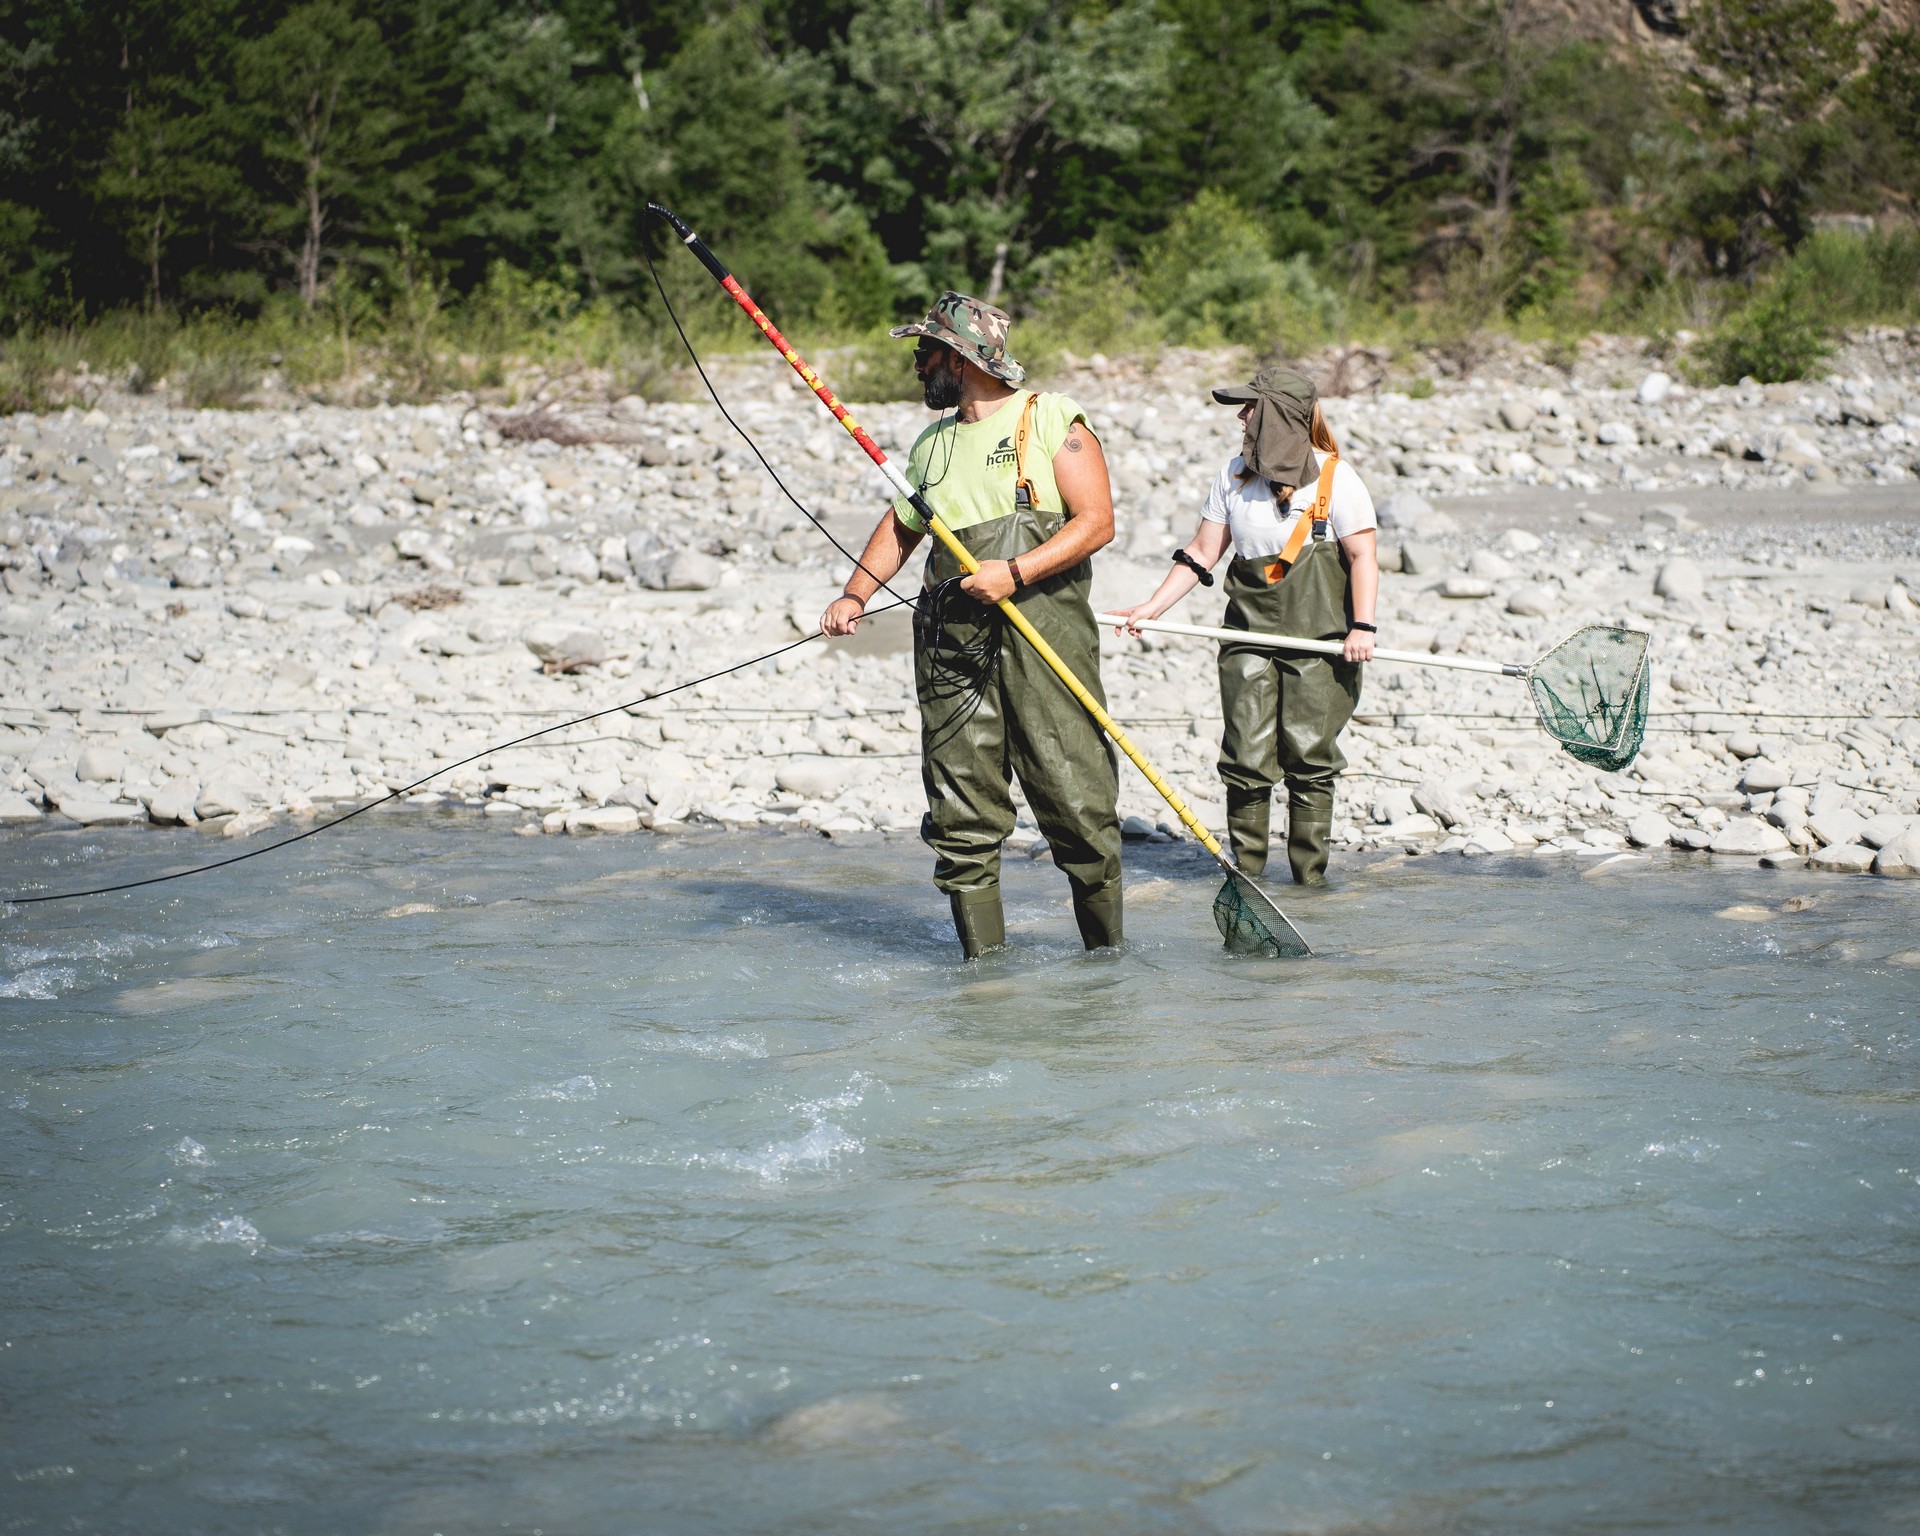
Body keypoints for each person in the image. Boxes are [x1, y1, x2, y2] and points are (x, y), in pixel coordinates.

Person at [820, 292, 1123, 958]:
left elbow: (1096, 522)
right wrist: (854, 595)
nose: (918, 365)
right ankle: (981, 990)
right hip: (950, 646)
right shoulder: (929, 447)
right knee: (960, 812)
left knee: (1076, 800)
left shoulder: (1049, 420)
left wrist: (1012, 573)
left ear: (959, 356)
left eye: (925, 351)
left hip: (1043, 634)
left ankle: (1107, 970)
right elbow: (901, 528)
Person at [1110, 366, 1379, 887]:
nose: (1241, 417)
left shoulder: (1335, 476)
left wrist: (1362, 627)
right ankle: (1249, 879)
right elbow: (1202, 554)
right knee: (1246, 756)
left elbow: (1363, 555)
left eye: (1251, 408)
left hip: (1320, 640)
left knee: (1309, 755)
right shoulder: (1233, 475)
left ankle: (1310, 883)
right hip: (1247, 636)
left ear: (1278, 415)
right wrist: (1152, 606)